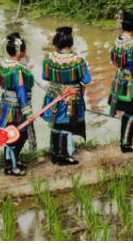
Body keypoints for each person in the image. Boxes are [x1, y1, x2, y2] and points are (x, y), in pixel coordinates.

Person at [42, 27, 91, 166]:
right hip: (70, 99)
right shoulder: (78, 60)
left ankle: (55, 153)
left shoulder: (48, 58)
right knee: (66, 125)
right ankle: (64, 156)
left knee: (56, 124)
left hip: (53, 96)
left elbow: (45, 76)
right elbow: (86, 79)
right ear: (71, 42)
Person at [0, 33, 34, 177]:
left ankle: (12, 161)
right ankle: (11, 167)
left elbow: (1, 84)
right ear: (21, 52)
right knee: (16, 137)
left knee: (8, 135)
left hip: (5, 105)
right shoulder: (19, 70)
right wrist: (28, 113)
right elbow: (21, 92)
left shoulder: (3, 65)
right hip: (16, 109)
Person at [109, 12, 133, 153]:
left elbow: (114, 60)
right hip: (131, 84)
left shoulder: (119, 39)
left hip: (119, 80)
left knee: (128, 112)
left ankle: (124, 141)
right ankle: (126, 144)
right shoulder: (132, 46)